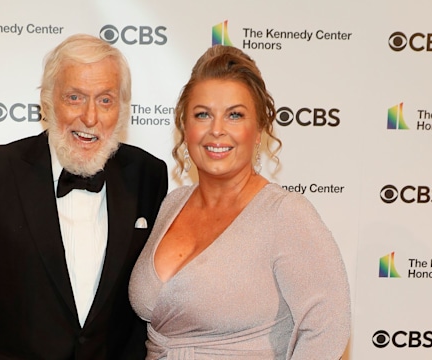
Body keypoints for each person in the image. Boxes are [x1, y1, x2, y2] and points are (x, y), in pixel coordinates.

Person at [0, 34, 168, 360]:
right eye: (74, 98)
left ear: (122, 108)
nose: (90, 117)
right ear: (47, 101)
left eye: (105, 100)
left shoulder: (147, 174)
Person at [129, 45, 350, 359]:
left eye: (235, 115)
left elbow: (327, 333)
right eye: (203, 114)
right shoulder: (171, 204)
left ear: (258, 130)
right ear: (185, 127)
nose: (217, 130)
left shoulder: (285, 214)